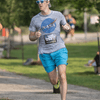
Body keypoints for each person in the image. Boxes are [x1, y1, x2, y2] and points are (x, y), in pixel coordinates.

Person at [29, 0, 70, 100]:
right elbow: (30, 37)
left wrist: (67, 28)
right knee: (53, 80)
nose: (40, 3)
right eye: (37, 1)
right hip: (45, 52)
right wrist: (35, 36)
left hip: (59, 49)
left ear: (48, 2)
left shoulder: (58, 15)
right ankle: (56, 83)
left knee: (62, 75)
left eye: (42, 1)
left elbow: (67, 26)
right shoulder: (35, 19)